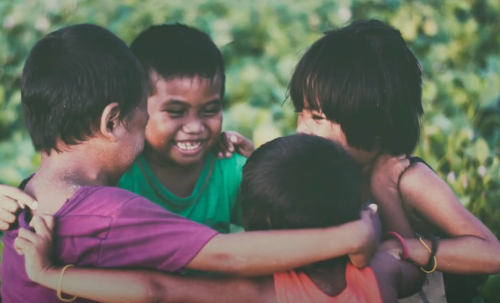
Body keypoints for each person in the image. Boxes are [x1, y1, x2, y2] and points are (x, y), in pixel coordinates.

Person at [0, 23, 384, 303]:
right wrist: (351, 236)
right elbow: (222, 256)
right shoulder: (109, 212)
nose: (146, 121)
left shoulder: (28, 194)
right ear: (112, 121)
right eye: (142, 112)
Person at [15, 134, 423, 303]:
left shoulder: (264, 289)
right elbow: (416, 268)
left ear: (258, 229)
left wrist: (51, 273)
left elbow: (155, 289)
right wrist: (377, 226)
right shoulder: (383, 274)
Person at [289, 19, 500, 302]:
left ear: (374, 127)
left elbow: (491, 253)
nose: (301, 129)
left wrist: (407, 247)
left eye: (316, 118)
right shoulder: (328, 173)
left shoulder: (410, 180)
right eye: (299, 113)